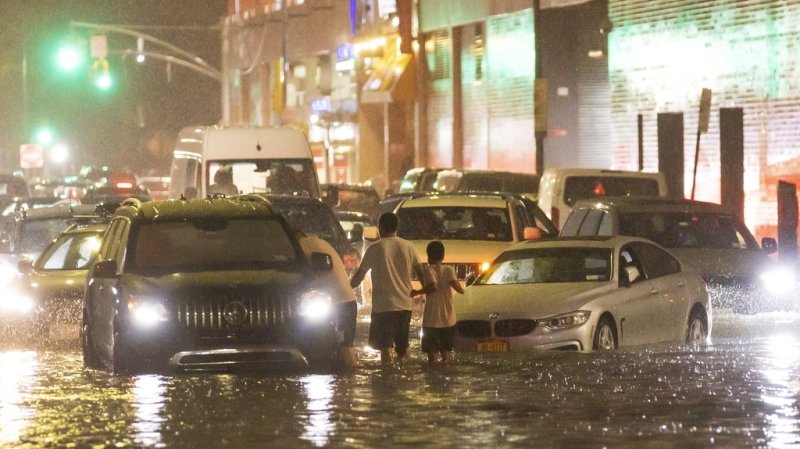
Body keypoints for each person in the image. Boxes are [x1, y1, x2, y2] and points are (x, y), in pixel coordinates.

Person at [350, 212, 424, 364]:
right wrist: (425, 292)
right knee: (402, 349)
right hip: (405, 306)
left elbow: (360, 276)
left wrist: (346, 288)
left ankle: (387, 380)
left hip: (383, 307)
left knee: (385, 348)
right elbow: (422, 275)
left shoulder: (375, 248)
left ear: (380, 228)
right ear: (397, 228)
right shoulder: (409, 247)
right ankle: (404, 379)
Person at [296, 230, 359, 368]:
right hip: (345, 302)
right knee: (341, 346)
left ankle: (350, 378)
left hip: (341, 304)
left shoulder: (302, 245)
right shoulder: (319, 242)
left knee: (344, 347)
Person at [411, 240, 465, 364]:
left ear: (429, 257)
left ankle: (434, 381)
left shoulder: (428, 269)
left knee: (432, 357)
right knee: (447, 355)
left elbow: (433, 286)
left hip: (432, 321)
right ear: (443, 256)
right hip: (449, 320)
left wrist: (417, 292)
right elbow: (459, 289)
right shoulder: (449, 269)